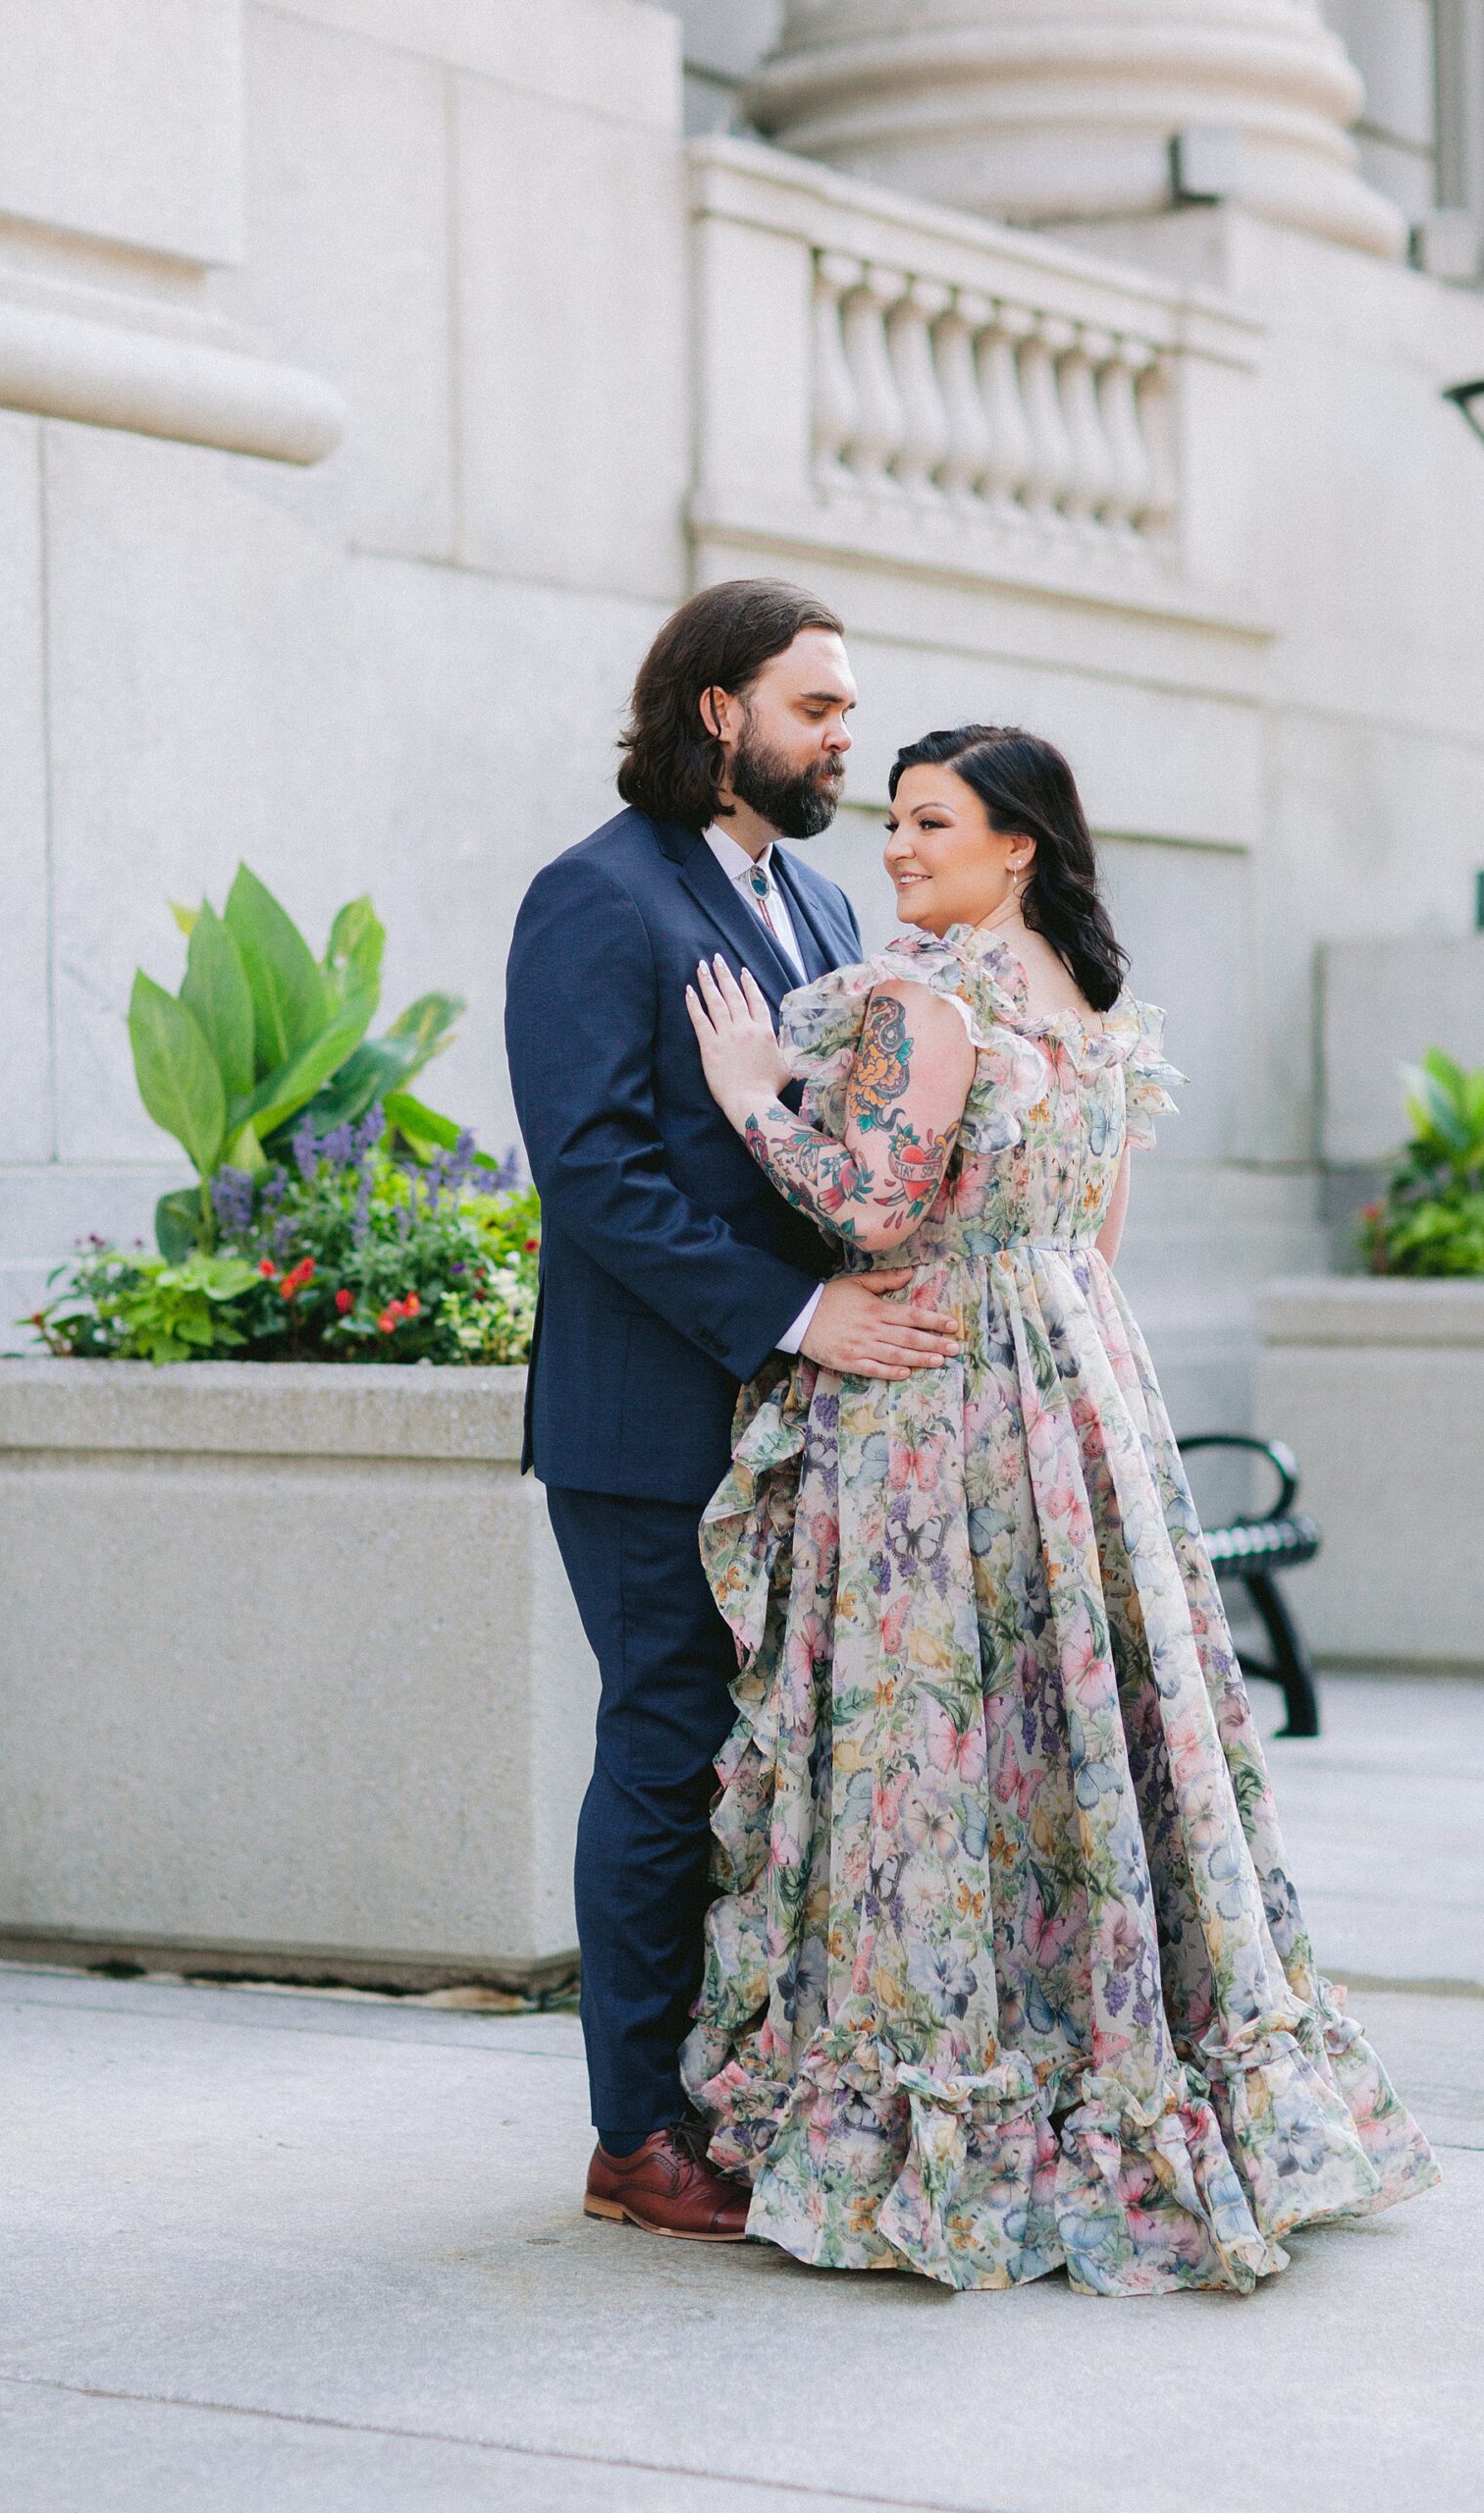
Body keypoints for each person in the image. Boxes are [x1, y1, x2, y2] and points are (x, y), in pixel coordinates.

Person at [678, 722, 1440, 2294]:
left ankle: (947, 2110)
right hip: (1080, 1383)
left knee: (936, 1742)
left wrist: (756, 1094)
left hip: (940, 1397)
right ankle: (1127, 2072)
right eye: (892, 819)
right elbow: (1098, 1225)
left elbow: (875, 1205)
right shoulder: (1094, 1011)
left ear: (1015, 843)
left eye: (930, 821)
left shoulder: (931, 999)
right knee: (1080, 1729)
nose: (896, 846)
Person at [504, 580, 961, 2241]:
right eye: (820, 709)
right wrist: (797, 1312)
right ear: (719, 712)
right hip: (647, 1427)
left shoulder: (828, 908)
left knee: (772, 1775)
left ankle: (745, 2090)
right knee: (668, 1753)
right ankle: (636, 2136)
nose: (847, 737)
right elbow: (598, 1179)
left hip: (812, 1425)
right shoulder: (594, 898)